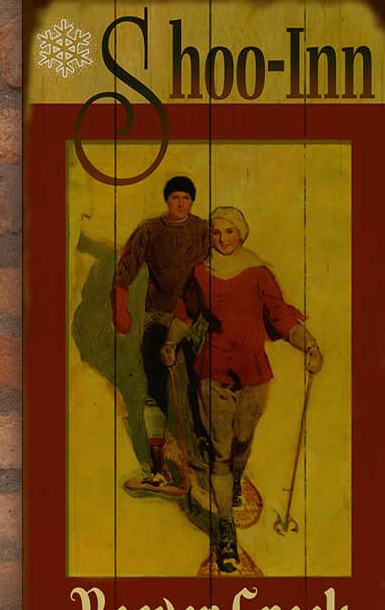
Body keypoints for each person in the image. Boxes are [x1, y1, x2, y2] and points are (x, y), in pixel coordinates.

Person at [162, 206, 324, 575]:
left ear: (241, 233)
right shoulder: (200, 273)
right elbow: (187, 314)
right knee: (220, 450)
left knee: (242, 439)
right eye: (215, 233)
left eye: (229, 232)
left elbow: (280, 316)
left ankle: (237, 477)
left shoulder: (259, 273)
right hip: (213, 369)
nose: (221, 239)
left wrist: (310, 346)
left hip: (253, 371)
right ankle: (226, 530)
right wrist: (171, 343)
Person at [111, 175, 211, 497]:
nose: (181, 203)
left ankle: (208, 463)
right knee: (155, 388)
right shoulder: (150, 230)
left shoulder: (204, 230)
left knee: (199, 385)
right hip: (158, 315)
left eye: (186, 198)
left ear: (192, 201)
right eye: (175, 198)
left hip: (195, 317)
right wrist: (120, 309)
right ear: (167, 200)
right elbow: (126, 267)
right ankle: (157, 470)